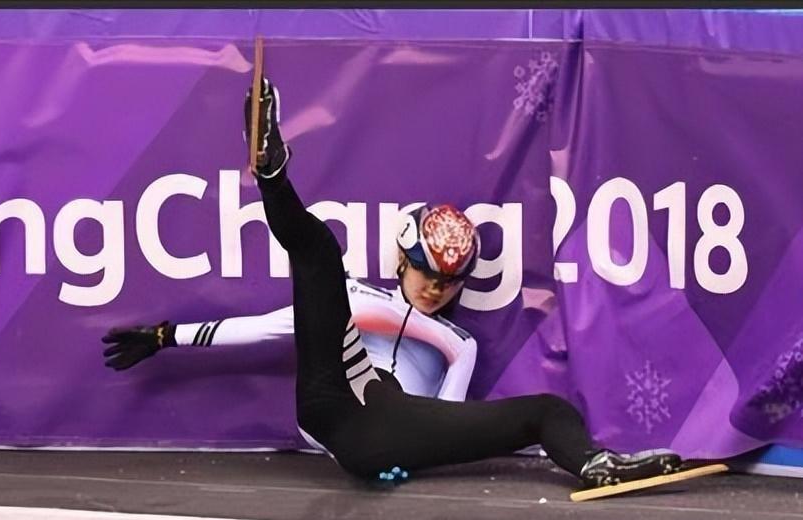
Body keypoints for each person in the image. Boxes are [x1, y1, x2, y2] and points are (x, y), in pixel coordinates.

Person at [103, 77, 683, 489]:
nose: (436, 288)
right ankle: (273, 174)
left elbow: (444, 420)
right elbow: (259, 329)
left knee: (549, 409)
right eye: (427, 271)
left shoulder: (460, 344)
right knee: (321, 253)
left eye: (450, 281)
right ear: (403, 261)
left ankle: (597, 466)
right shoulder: (357, 299)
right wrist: (164, 335)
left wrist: (415, 454)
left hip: (394, 425)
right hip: (336, 395)